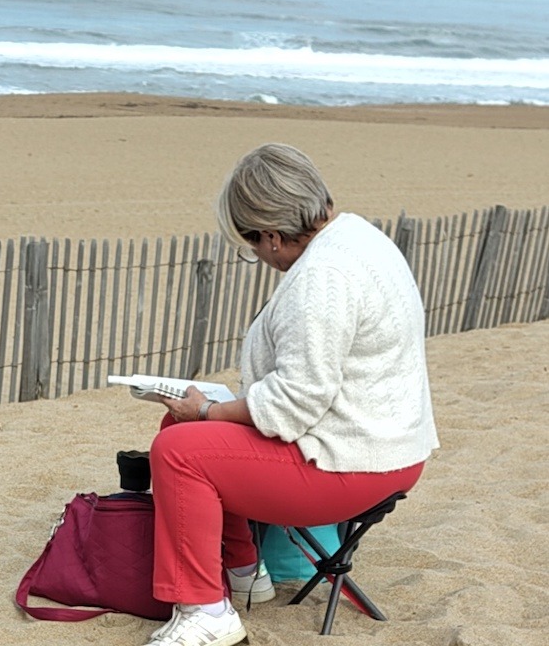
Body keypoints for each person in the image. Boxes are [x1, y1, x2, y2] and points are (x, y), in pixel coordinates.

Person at [138, 143, 439, 646]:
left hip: (354, 463)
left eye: (252, 243)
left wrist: (210, 409)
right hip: (380, 443)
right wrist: (204, 415)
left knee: (178, 452)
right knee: (183, 429)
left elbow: (291, 405)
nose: (255, 254)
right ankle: (241, 572)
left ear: (273, 236)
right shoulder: (359, 236)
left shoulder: (321, 278)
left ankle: (206, 611)